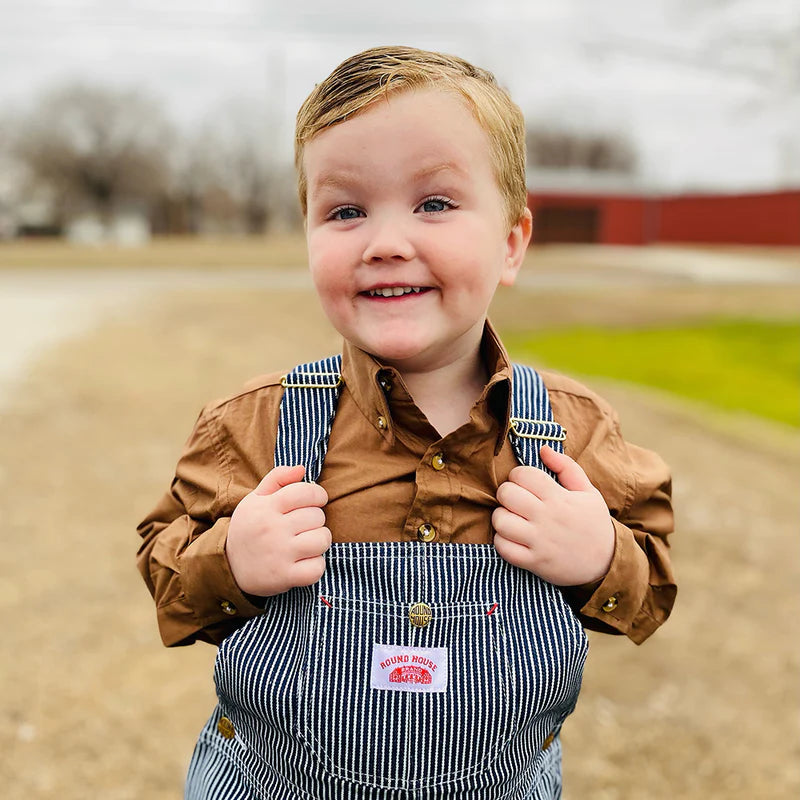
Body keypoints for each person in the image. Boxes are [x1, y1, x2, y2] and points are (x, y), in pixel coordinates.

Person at [137, 45, 676, 800]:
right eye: (346, 211)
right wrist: (232, 560)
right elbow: (167, 585)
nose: (385, 242)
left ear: (512, 243)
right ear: (308, 233)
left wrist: (599, 557)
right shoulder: (254, 426)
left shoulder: (572, 433)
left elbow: (650, 590)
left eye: (434, 204)